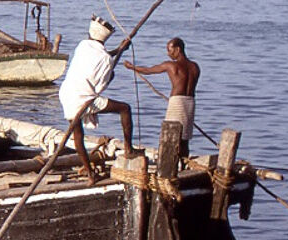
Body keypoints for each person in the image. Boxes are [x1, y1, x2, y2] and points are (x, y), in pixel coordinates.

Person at [58, 16, 133, 185]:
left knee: (77, 134)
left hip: (67, 93)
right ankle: (129, 148)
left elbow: (101, 56)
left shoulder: (83, 45)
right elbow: (104, 81)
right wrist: (118, 54)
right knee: (124, 108)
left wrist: (119, 50)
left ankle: (91, 174)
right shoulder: (105, 58)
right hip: (82, 98)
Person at [124, 37, 200, 158]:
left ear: (178, 49)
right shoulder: (195, 67)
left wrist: (131, 67)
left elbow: (148, 70)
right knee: (184, 138)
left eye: (170, 50)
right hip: (190, 102)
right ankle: (183, 162)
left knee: (171, 135)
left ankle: (170, 162)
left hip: (177, 102)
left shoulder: (171, 65)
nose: (168, 54)